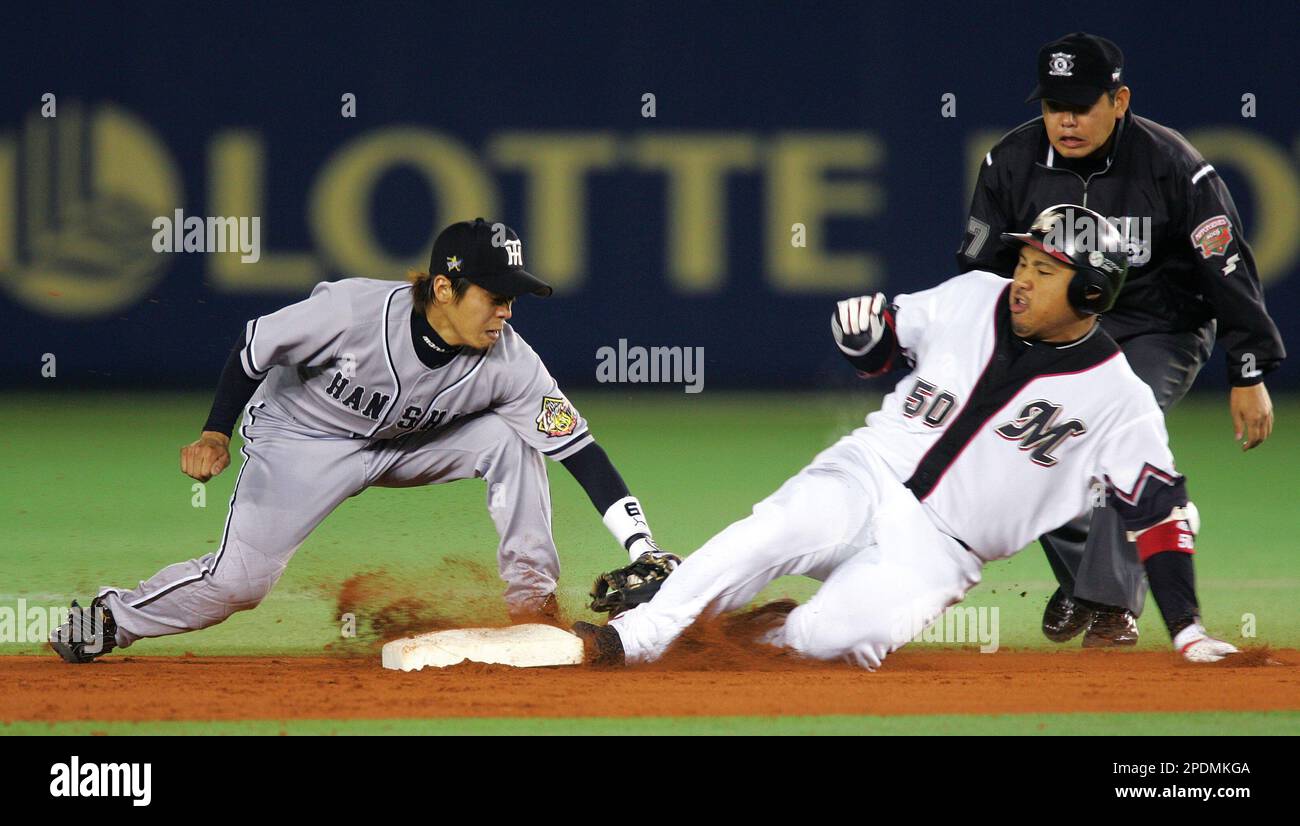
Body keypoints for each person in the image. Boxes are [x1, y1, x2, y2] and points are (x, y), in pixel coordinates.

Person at [574, 205, 1237, 669]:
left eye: (1045, 269)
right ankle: (632, 637)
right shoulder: (976, 294)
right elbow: (885, 342)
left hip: (942, 552)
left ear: (1092, 291)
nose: (1022, 278)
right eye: (1026, 260)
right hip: (867, 473)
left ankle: (737, 635)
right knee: (768, 533)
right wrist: (866, 338)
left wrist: (1187, 631)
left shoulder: (1120, 401)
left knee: (830, 641)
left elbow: (1160, 515)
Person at [50, 218, 676, 664]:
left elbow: (578, 451)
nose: (507, 312)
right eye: (495, 296)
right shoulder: (350, 313)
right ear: (443, 289)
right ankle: (110, 620)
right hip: (301, 441)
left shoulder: (511, 362)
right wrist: (217, 430)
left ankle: (532, 609)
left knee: (514, 441)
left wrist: (643, 545)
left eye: (513, 298)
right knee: (238, 584)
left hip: (407, 442)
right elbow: (251, 350)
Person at [957, 32, 1284, 647]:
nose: (1067, 120)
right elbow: (981, 275)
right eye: (1055, 106)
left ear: (1120, 100)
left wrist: (1248, 371)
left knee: (1111, 432)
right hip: (1061, 333)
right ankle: (1089, 577)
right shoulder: (1010, 162)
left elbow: (1228, 271)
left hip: (1161, 327)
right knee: (1023, 439)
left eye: (1082, 105)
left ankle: (1110, 606)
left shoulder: (1174, 165)